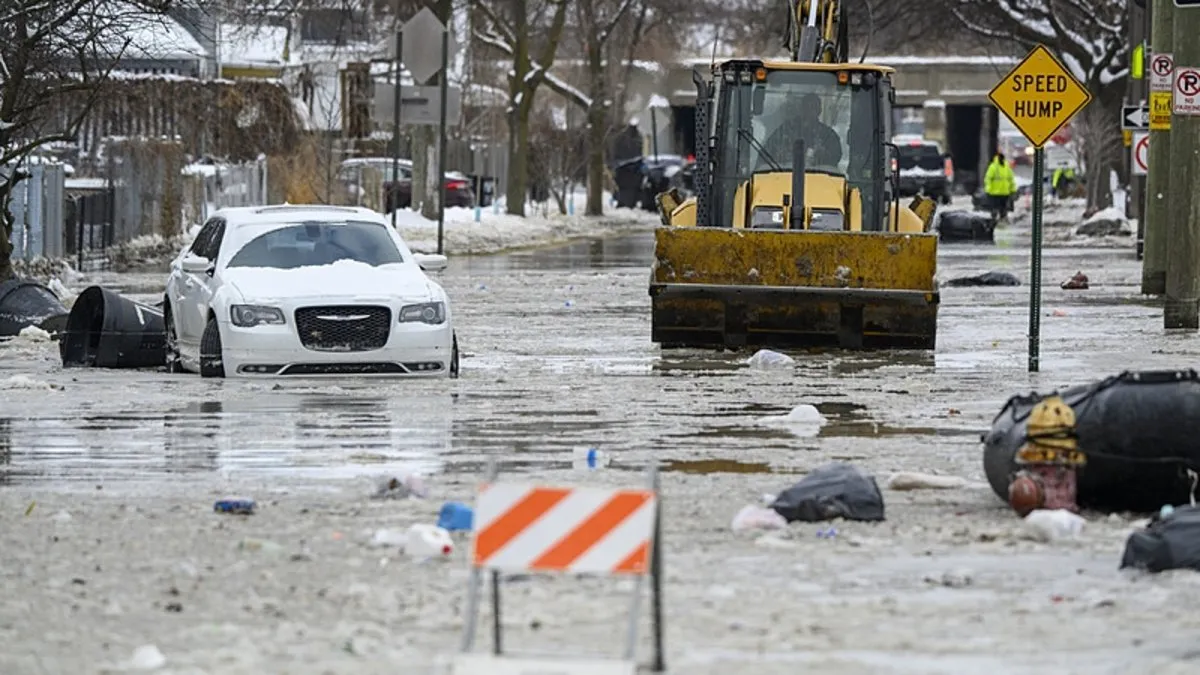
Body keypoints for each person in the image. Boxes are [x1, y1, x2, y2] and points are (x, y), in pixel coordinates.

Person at [761, 92, 843, 170]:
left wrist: (823, 154)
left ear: (819, 111)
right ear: (802, 109)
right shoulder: (784, 130)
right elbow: (767, 153)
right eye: (807, 107)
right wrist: (781, 155)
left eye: (814, 107)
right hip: (783, 175)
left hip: (820, 178)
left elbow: (836, 157)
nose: (811, 111)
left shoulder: (828, 135)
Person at [984, 152, 1017, 221]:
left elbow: (1011, 179)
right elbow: (988, 178)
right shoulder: (993, 167)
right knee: (995, 208)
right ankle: (994, 219)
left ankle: (1003, 218)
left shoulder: (1007, 167)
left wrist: (1013, 189)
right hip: (995, 192)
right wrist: (988, 189)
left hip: (1004, 192)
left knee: (1003, 208)